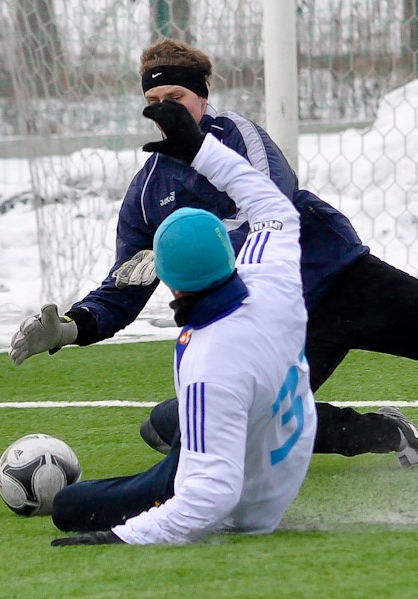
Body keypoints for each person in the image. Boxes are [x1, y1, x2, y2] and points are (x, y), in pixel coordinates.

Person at [10, 38, 418, 464]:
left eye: (174, 100)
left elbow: (271, 205)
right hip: (277, 328)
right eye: (152, 104)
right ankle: (396, 436)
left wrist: (198, 159)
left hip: (347, 282)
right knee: (170, 426)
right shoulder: (147, 192)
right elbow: (126, 282)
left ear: (201, 98)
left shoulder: (239, 139)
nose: (161, 113)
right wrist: (69, 327)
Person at [51, 102, 316, 545]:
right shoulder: (270, 272)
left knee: (69, 506)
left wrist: (124, 536)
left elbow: (212, 498)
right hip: (285, 435)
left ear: (168, 283)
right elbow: (272, 204)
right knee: (167, 419)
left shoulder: (210, 362)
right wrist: (200, 149)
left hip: (251, 507)